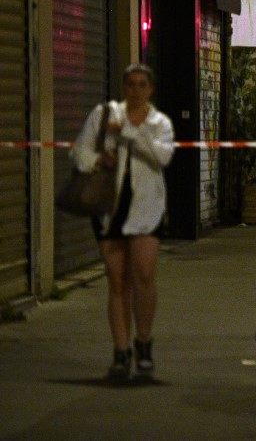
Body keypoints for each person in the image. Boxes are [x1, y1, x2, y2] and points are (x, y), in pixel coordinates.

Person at [70, 64, 175, 381]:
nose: (135, 90)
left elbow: (163, 157)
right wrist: (100, 159)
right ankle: (120, 352)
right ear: (123, 87)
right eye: (130, 84)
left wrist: (132, 132)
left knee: (144, 274)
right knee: (117, 281)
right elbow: (80, 153)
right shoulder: (103, 115)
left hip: (147, 207)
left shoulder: (159, 123)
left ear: (150, 89)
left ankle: (144, 343)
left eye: (142, 84)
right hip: (110, 208)